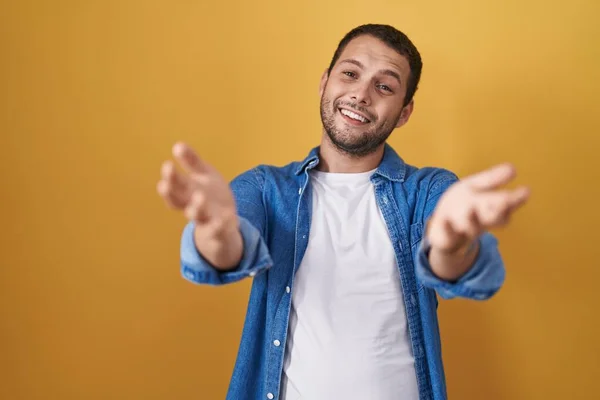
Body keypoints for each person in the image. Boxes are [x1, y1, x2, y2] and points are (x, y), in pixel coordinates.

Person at [156, 23, 530, 400]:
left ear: (403, 112)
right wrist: (216, 231)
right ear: (324, 82)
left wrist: (450, 246)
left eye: (384, 86)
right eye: (350, 74)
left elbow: (464, 266)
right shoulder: (267, 189)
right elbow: (225, 251)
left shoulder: (429, 191)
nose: (361, 94)